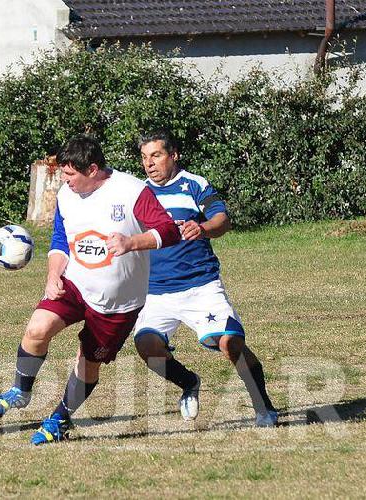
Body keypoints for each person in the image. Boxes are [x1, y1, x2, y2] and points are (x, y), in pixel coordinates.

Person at [0, 134, 181, 445]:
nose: (65, 179)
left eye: (70, 173)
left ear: (92, 169)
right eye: (63, 172)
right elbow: (61, 240)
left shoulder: (131, 191)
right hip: (75, 284)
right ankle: (20, 390)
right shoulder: (66, 194)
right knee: (37, 329)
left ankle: (60, 417)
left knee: (87, 361)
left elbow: (169, 230)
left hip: (117, 302)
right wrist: (52, 275)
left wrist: (132, 243)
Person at [132, 130, 278, 427]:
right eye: (145, 157)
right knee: (147, 347)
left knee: (229, 343)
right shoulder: (136, 192)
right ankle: (188, 383)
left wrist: (203, 228)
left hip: (200, 285)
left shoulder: (194, 184)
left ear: (174, 155)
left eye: (156, 155)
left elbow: (222, 220)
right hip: (156, 292)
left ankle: (264, 407)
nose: (149, 163)